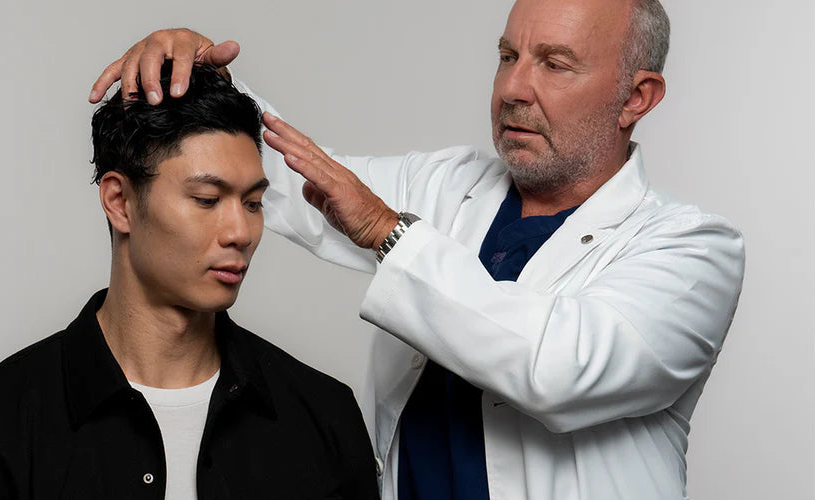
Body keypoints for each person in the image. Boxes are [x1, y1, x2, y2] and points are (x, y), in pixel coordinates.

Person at [88, 0, 747, 499]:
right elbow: (291, 180)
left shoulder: (692, 253)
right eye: (507, 56)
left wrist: (388, 232)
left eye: (555, 63)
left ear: (638, 96)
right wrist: (196, 72)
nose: (514, 88)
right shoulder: (449, 186)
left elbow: (559, 368)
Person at [0, 63, 379, 500]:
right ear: (119, 201)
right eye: (206, 199)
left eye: (254, 204)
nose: (240, 233)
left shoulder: (325, 418)